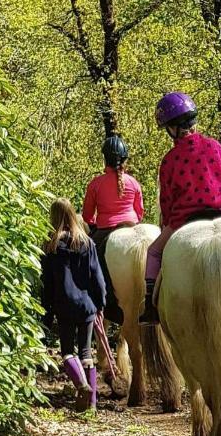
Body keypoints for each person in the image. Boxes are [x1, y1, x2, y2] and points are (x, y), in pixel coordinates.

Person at [139, 92, 221, 325]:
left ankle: (149, 310)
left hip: (185, 220)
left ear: (172, 128)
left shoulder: (170, 159)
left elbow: (167, 201)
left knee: (153, 252)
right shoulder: (216, 147)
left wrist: (167, 223)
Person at [41, 198, 107, 412]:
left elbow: (47, 283)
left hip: (63, 305)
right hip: (86, 305)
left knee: (68, 352)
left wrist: (46, 311)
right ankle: (92, 405)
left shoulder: (50, 245)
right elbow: (97, 276)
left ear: (54, 217)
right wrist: (101, 302)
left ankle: (82, 385)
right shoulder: (87, 243)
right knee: (86, 352)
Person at [83, 135, 144, 324]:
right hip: (133, 225)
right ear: (125, 159)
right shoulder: (133, 183)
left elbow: (86, 215)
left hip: (104, 230)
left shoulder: (96, 184)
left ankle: (92, 299)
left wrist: (95, 222)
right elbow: (140, 212)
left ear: (105, 159)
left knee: (87, 265)